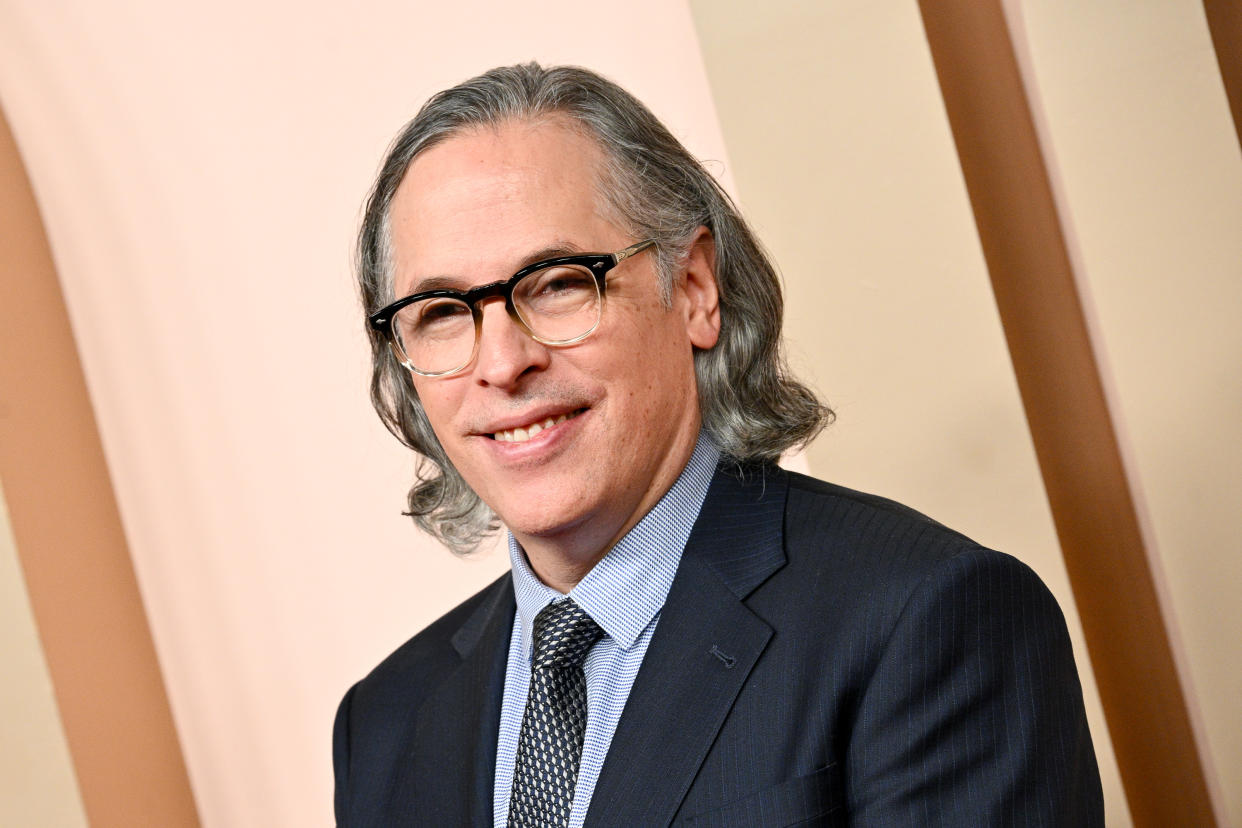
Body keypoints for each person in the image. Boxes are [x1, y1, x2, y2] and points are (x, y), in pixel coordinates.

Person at [333, 63, 1104, 827]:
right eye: (440, 312)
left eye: (558, 282)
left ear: (696, 289)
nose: (502, 364)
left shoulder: (925, 618)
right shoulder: (384, 724)